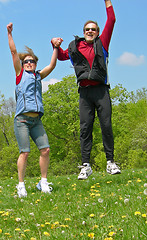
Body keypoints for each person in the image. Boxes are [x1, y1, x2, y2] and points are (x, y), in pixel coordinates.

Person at [51, 0, 120, 180]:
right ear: (83, 32)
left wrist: (107, 1)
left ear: (97, 33)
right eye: (87, 29)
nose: (90, 31)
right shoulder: (75, 47)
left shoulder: (102, 43)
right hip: (84, 93)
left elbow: (111, 20)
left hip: (101, 91)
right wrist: (55, 44)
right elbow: (61, 57)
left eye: (94, 29)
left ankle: (110, 162)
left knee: (106, 126)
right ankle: (86, 166)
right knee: (85, 129)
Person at [7, 22, 61, 197]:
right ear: (22, 65)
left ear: (36, 64)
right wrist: (9, 34)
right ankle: (21, 185)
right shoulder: (19, 75)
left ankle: (43, 182)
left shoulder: (39, 76)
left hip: (36, 120)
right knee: (25, 152)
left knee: (45, 150)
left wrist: (55, 48)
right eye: (26, 61)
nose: (29, 63)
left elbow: (52, 66)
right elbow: (14, 53)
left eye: (32, 61)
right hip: (22, 120)